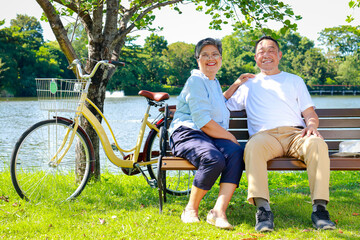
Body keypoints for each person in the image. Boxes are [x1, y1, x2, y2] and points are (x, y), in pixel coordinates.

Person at [227, 36, 336, 232]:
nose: (266, 55)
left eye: (271, 50)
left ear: (279, 55)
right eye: (261, 51)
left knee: (318, 144)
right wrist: (235, 84)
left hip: (296, 135)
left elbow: (309, 113)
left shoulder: (294, 80)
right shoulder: (248, 84)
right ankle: (263, 210)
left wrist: (311, 125)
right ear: (255, 57)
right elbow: (219, 105)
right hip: (264, 137)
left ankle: (320, 209)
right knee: (252, 147)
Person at [169, 38, 253, 230]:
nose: (210, 58)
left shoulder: (212, 82)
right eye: (205, 55)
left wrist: (236, 85)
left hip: (208, 135)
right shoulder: (196, 80)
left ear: (221, 58)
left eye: (214, 54)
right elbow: (204, 122)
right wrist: (230, 136)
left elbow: (217, 102)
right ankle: (190, 209)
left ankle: (218, 212)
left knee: (235, 153)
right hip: (187, 132)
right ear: (198, 60)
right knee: (213, 158)